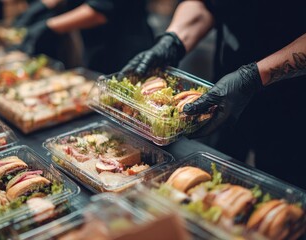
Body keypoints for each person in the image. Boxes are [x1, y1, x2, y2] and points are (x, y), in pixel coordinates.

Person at [121, 0, 306, 189]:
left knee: (284, 188)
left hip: (294, 105)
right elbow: (207, 4)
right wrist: (174, 40)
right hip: (226, 88)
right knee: (214, 176)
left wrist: (254, 76)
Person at [15, 0, 154, 74]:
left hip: (125, 45)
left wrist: (50, 26)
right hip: (97, 46)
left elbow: (100, 11)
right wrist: (45, 4)